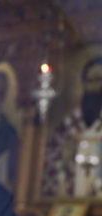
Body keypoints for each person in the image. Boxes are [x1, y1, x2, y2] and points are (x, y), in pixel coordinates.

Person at [41, 56, 102, 197]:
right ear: (84, 84)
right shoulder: (71, 121)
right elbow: (51, 160)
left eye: (100, 80)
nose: (96, 87)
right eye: (91, 81)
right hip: (71, 200)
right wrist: (65, 157)